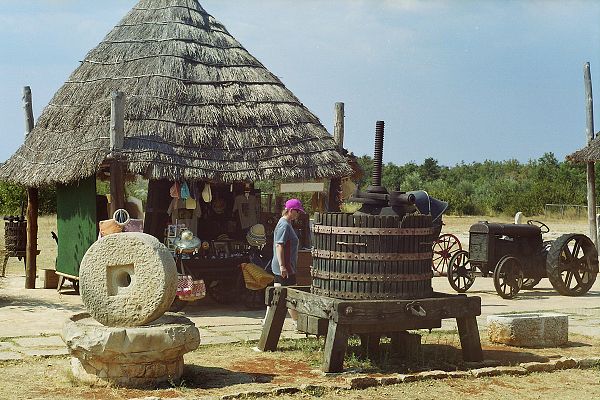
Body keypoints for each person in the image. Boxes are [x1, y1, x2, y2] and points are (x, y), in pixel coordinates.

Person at [263, 198, 305, 327]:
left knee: (277, 294)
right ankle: (297, 323)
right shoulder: (284, 225)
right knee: (291, 296)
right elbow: (279, 245)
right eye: (297, 212)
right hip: (285, 266)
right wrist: (282, 266)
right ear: (291, 211)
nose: (298, 214)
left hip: (285, 265)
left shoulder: (286, 223)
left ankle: (266, 322)